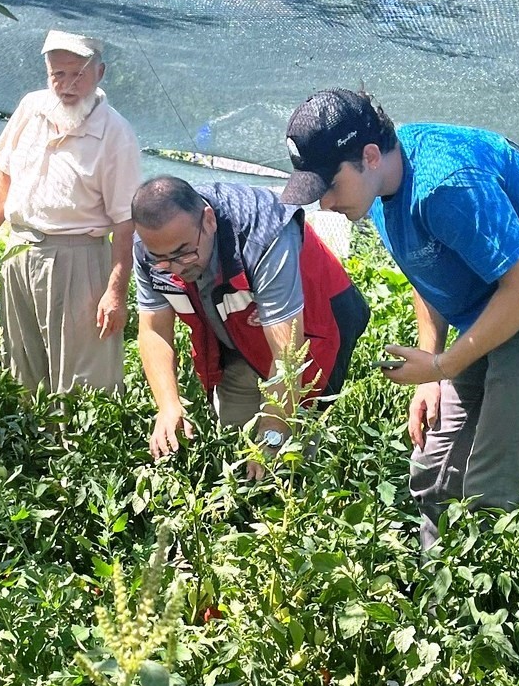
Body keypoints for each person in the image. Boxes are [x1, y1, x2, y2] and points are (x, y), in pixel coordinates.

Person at [282, 89, 519, 547]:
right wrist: (430, 370)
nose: (325, 204)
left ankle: (488, 611)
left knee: (487, 491)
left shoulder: (445, 186)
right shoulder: (378, 190)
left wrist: (445, 366)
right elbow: (427, 271)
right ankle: (437, 601)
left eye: (329, 187)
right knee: (433, 470)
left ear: (370, 155)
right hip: (493, 298)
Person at [130, 176, 370, 479]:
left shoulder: (263, 234)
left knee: (292, 447)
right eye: (162, 260)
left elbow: (288, 352)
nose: (176, 267)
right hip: (238, 337)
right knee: (236, 442)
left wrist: (273, 431)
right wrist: (168, 405)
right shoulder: (148, 248)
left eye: (183, 252)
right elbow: (153, 331)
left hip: (313, 330)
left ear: (208, 220)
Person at [0, 30, 142, 394]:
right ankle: (32, 451)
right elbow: (4, 178)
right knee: (21, 372)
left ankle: (81, 451)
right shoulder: (31, 108)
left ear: (100, 73)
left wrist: (116, 293)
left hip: (79, 259)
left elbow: (126, 224)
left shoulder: (116, 135)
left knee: (84, 384)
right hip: (19, 253)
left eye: (78, 74)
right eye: (57, 74)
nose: (67, 85)